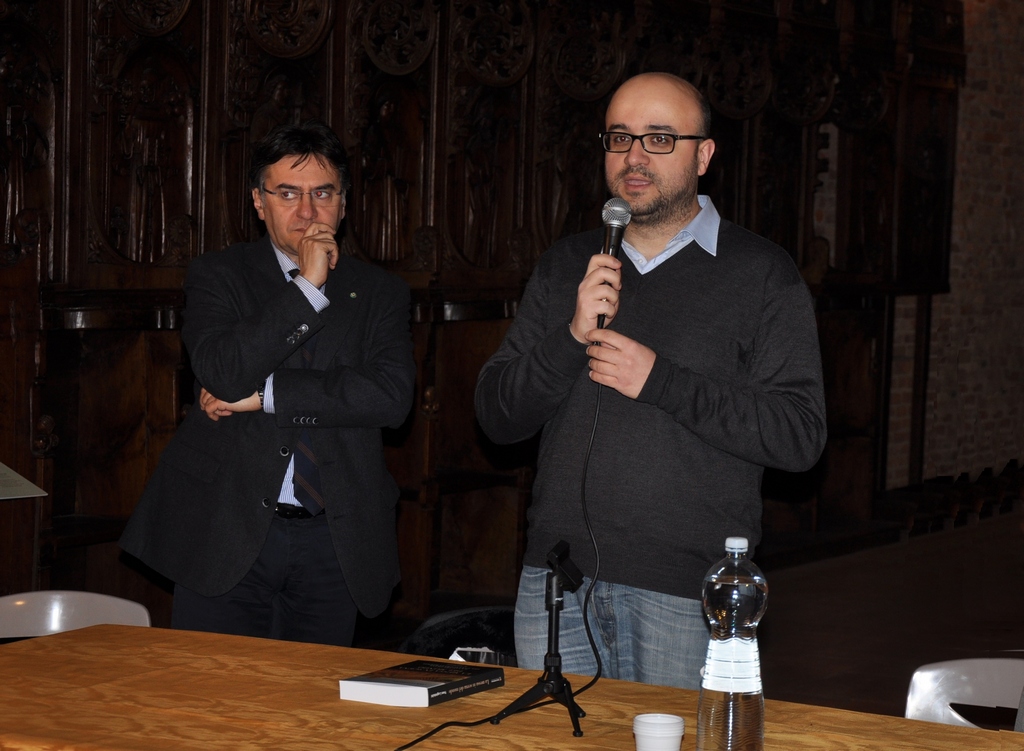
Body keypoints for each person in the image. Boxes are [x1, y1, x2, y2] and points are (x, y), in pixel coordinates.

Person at [474, 73, 826, 688]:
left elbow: (798, 436)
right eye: (620, 137)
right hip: (555, 584)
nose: (634, 157)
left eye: (660, 138)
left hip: (683, 591)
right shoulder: (567, 264)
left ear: (704, 155)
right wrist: (571, 337)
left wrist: (662, 381)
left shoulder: (761, 272)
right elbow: (497, 416)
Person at [121, 119, 416, 646]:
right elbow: (224, 371)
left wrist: (266, 397)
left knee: (314, 711)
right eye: (288, 193)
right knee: (214, 704)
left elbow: (390, 397)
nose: (307, 212)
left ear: (344, 204)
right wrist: (306, 287)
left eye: (322, 193)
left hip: (335, 535)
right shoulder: (218, 275)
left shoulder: (381, 293)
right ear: (260, 202)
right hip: (226, 530)